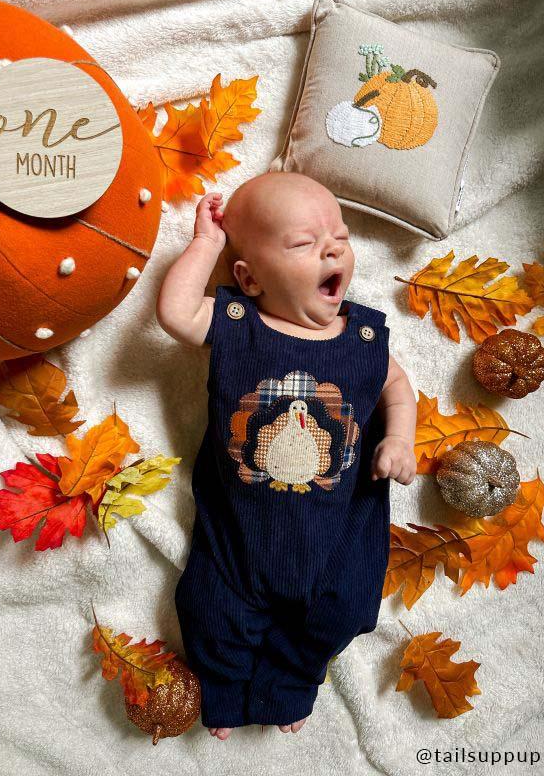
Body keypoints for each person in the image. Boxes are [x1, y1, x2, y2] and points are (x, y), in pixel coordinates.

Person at [156, 171, 416, 739]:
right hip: (238, 537)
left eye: (340, 238)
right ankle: (225, 684)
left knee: (347, 611)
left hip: (337, 537)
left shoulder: (363, 339)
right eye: (303, 243)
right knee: (208, 606)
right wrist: (206, 244)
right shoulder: (236, 325)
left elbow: (398, 388)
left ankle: (292, 681)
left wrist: (399, 438)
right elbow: (176, 313)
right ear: (249, 278)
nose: (332, 249)